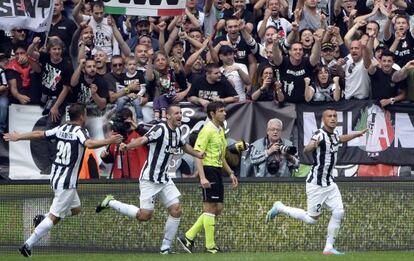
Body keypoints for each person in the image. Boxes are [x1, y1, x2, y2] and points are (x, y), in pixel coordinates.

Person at [3, 103, 123, 257]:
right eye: (85, 114)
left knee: (76, 209)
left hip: (56, 178)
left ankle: (43, 218)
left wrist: (18, 136)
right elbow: (89, 144)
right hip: (66, 183)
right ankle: (27, 245)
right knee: (55, 217)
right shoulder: (80, 131)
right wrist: (110, 141)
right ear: (81, 116)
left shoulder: (61, 129)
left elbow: (39, 134)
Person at [95, 105, 205, 254]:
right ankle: (111, 202)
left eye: (181, 113)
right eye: (176, 113)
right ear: (168, 116)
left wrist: (198, 154)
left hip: (164, 178)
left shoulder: (178, 131)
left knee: (176, 210)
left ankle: (165, 249)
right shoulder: (160, 129)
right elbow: (142, 139)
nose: (180, 115)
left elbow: (184, 146)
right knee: (144, 216)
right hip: (149, 178)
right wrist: (127, 146)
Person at [265, 108, 367, 255]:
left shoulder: (334, 134)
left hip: (329, 183)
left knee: (339, 212)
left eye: (334, 116)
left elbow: (341, 138)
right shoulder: (319, 134)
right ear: (323, 120)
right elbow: (307, 149)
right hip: (316, 185)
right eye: (329, 116)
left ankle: (329, 247)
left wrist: (357, 133)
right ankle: (280, 207)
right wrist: (313, 146)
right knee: (311, 219)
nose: (332, 118)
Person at [177, 101, 238, 254]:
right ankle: (210, 247)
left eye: (224, 110)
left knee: (218, 208)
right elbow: (198, 155)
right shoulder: (207, 130)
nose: (225, 113)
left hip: (217, 170)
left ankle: (188, 236)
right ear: (212, 114)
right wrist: (202, 177)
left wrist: (230, 173)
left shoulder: (220, 130)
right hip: (209, 170)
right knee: (211, 208)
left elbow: (222, 155)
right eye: (221, 111)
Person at [100, 108, 149, 179]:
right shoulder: (116, 136)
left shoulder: (140, 133)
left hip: (139, 177)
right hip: (120, 178)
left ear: (132, 119)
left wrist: (136, 127)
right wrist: (105, 157)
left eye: (126, 121)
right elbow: (112, 157)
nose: (124, 124)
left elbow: (151, 137)